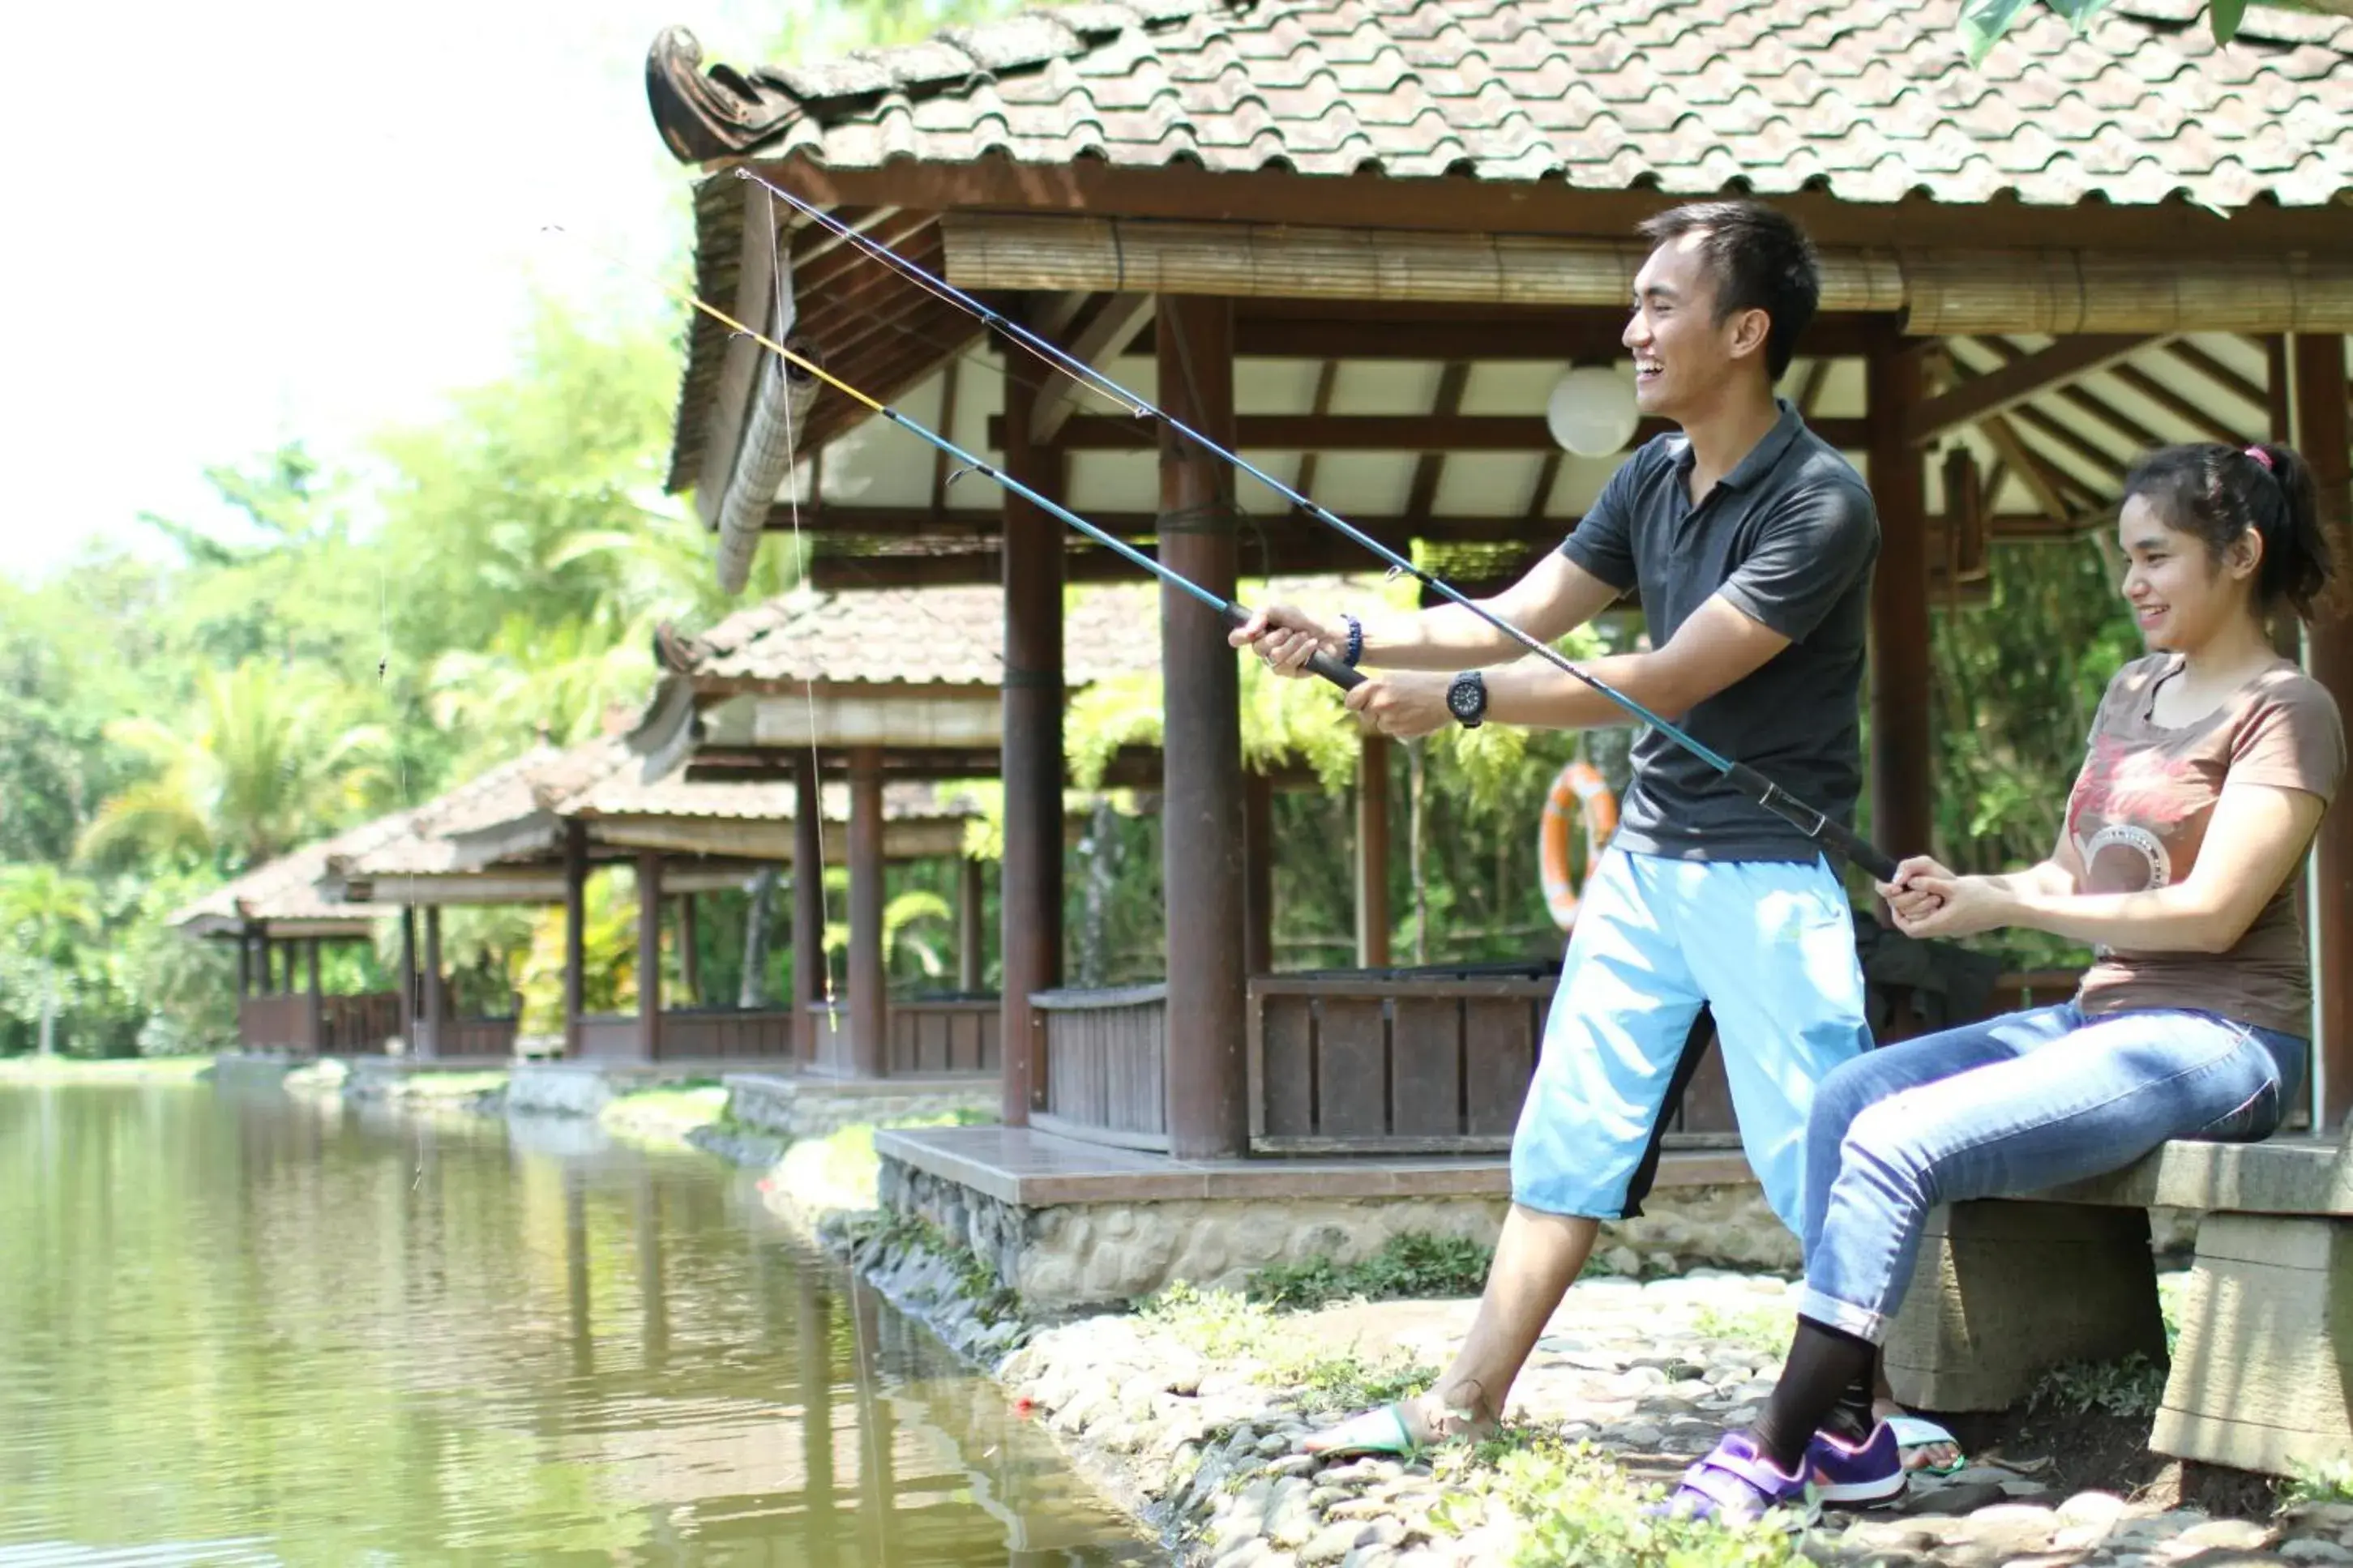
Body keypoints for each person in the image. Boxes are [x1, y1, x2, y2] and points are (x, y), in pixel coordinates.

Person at [1230, 199, 1900, 1463]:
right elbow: (1520, 612)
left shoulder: (1821, 502)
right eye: (1635, 302)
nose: (1630, 328)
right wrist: (1348, 635)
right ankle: (1461, 1403)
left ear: (1745, 330)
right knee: (1568, 1134)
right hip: (1644, 863)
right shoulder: (1649, 475)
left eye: (1660, 304)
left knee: (1824, 1160)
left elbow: (1666, 675)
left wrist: (1458, 706)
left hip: (1764, 871)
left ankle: (1900, 1402)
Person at [1664, 438, 2346, 1525]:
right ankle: (1847, 1433)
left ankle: (1772, 1446)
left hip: (2226, 1038)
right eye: (2124, 557)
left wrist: (2017, 907)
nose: (2131, 582)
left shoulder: (2283, 708)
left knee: (1900, 1139)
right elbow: (2069, 875)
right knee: (1849, 1100)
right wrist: (1972, 889)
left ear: (2238, 553)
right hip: (2104, 1017)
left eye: (2156, 556)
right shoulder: (2133, 690)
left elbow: (2212, 912)